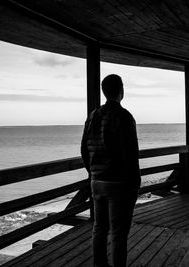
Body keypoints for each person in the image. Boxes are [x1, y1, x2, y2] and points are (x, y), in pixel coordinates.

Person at [81, 74, 141, 267]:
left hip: (97, 182)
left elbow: (84, 148)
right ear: (121, 90)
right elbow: (130, 153)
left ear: (104, 91)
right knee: (118, 233)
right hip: (118, 183)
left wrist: (92, 172)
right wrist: (135, 182)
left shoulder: (93, 116)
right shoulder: (124, 117)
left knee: (99, 228)